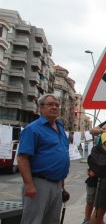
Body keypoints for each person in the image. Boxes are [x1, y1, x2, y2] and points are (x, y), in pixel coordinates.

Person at [17, 94, 70, 223]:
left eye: (57, 105)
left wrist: (62, 186)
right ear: (40, 108)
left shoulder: (60, 127)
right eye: (50, 104)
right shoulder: (32, 129)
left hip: (57, 184)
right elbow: (22, 158)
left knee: (52, 221)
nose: (54, 107)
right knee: (33, 221)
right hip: (39, 183)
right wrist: (29, 185)